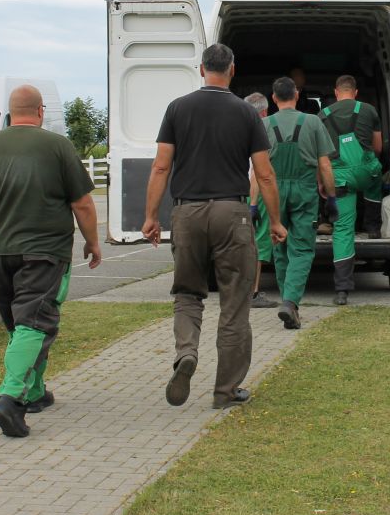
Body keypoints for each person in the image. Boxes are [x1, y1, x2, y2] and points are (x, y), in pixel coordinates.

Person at [0, 85, 102, 438]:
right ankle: (11, 400)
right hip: (43, 252)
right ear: (41, 111)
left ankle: (35, 391)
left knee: (20, 325)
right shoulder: (58, 146)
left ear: (10, 114)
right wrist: (92, 241)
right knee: (34, 324)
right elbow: (83, 203)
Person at [144, 44, 287, 410]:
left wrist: (150, 217)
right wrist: (274, 220)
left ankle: (186, 352)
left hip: (187, 212)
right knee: (235, 302)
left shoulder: (177, 108)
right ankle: (225, 390)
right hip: (232, 213)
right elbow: (265, 174)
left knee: (187, 294)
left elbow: (161, 166)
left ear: (201, 69)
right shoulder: (247, 113)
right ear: (232, 70)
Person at [263, 76, 337, 329]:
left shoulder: (264, 124)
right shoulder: (313, 122)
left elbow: (258, 170)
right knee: (302, 249)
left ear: (274, 98)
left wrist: (253, 204)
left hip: (274, 191)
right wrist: (332, 197)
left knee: (279, 247)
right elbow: (325, 165)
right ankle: (290, 302)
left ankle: (289, 303)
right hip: (304, 191)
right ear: (296, 95)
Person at [319, 75, 383, 305]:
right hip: (365, 172)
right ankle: (373, 226)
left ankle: (342, 289)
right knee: (377, 175)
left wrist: (322, 182)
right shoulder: (369, 110)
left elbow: (320, 157)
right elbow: (378, 147)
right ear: (355, 93)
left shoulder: (322, 115)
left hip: (339, 178)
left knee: (343, 230)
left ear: (336, 93)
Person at [244, 91, 279, 308]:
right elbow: (257, 173)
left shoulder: (236, 130)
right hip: (254, 193)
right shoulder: (261, 133)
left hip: (236, 192)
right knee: (258, 243)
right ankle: (253, 293)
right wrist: (254, 204)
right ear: (265, 112)